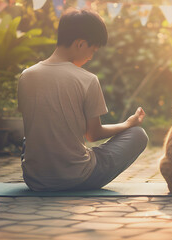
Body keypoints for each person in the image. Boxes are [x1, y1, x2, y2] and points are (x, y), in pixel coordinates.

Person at [18, 9, 148, 191]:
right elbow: (93, 135)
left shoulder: (26, 76)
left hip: (35, 179)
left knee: (29, 139)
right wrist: (128, 124)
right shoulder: (87, 80)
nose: (91, 57)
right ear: (80, 44)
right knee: (139, 135)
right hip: (78, 177)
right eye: (92, 50)